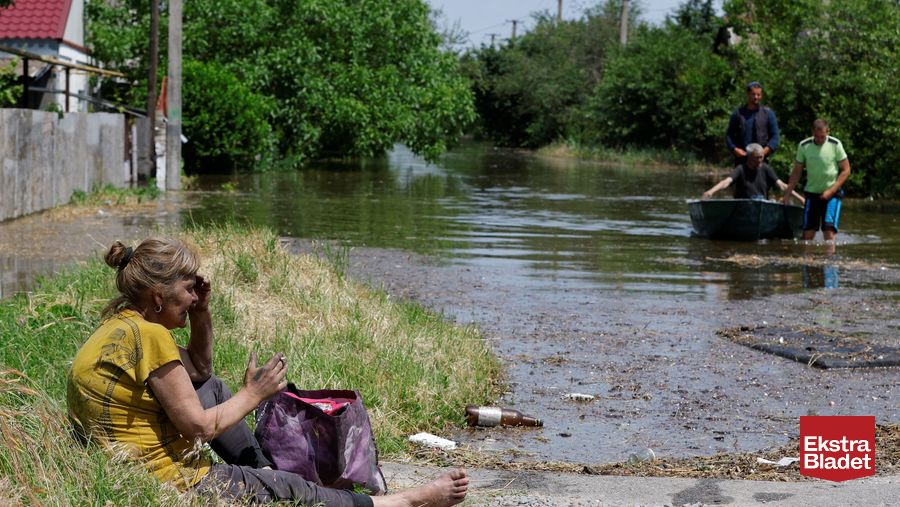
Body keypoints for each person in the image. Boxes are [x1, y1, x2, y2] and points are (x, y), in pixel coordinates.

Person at [66, 237, 469, 506]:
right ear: (158, 296)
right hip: (165, 480)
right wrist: (254, 394)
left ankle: (262, 472)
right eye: (189, 290)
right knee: (291, 490)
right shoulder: (150, 337)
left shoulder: (124, 327)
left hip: (126, 461)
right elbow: (199, 430)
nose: (193, 296)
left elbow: (201, 370)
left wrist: (202, 312)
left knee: (213, 388)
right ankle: (404, 502)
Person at [783, 119, 851, 242]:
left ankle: (829, 260)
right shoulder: (804, 146)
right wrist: (787, 193)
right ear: (812, 132)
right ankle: (808, 260)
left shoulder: (835, 144)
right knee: (808, 233)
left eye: (822, 137)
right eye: (817, 136)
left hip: (832, 195)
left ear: (828, 132)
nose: (819, 139)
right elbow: (797, 171)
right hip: (812, 193)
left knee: (828, 231)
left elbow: (846, 170)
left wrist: (831, 191)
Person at [702, 143, 804, 204]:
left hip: (762, 205)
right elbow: (726, 182)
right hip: (743, 206)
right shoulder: (741, 169)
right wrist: (711, 191)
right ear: (749, 157)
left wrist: (801, 199)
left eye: (761, 157)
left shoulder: (766, 169)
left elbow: (782, 185)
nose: (759, 160)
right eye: (756, 158)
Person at [725, 81, 780, 164]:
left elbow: (775, 136)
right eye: (753, 94)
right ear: (748, 94)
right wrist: (734, 149)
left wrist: (765, 151)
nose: (756, 97)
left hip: (762, 161)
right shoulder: (738, 114)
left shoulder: (768, 114)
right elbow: (729, 135)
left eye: (758, 95)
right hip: (742, 160)